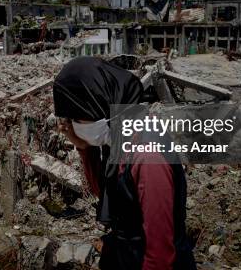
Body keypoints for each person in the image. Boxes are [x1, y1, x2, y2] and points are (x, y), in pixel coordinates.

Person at [53, 56, 195, 270]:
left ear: (99, 106)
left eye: (77, 119)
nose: (73, 125)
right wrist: (84, 147)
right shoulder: (119, 135)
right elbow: (110, 195)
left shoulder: (146, 155)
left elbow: (160, 253)